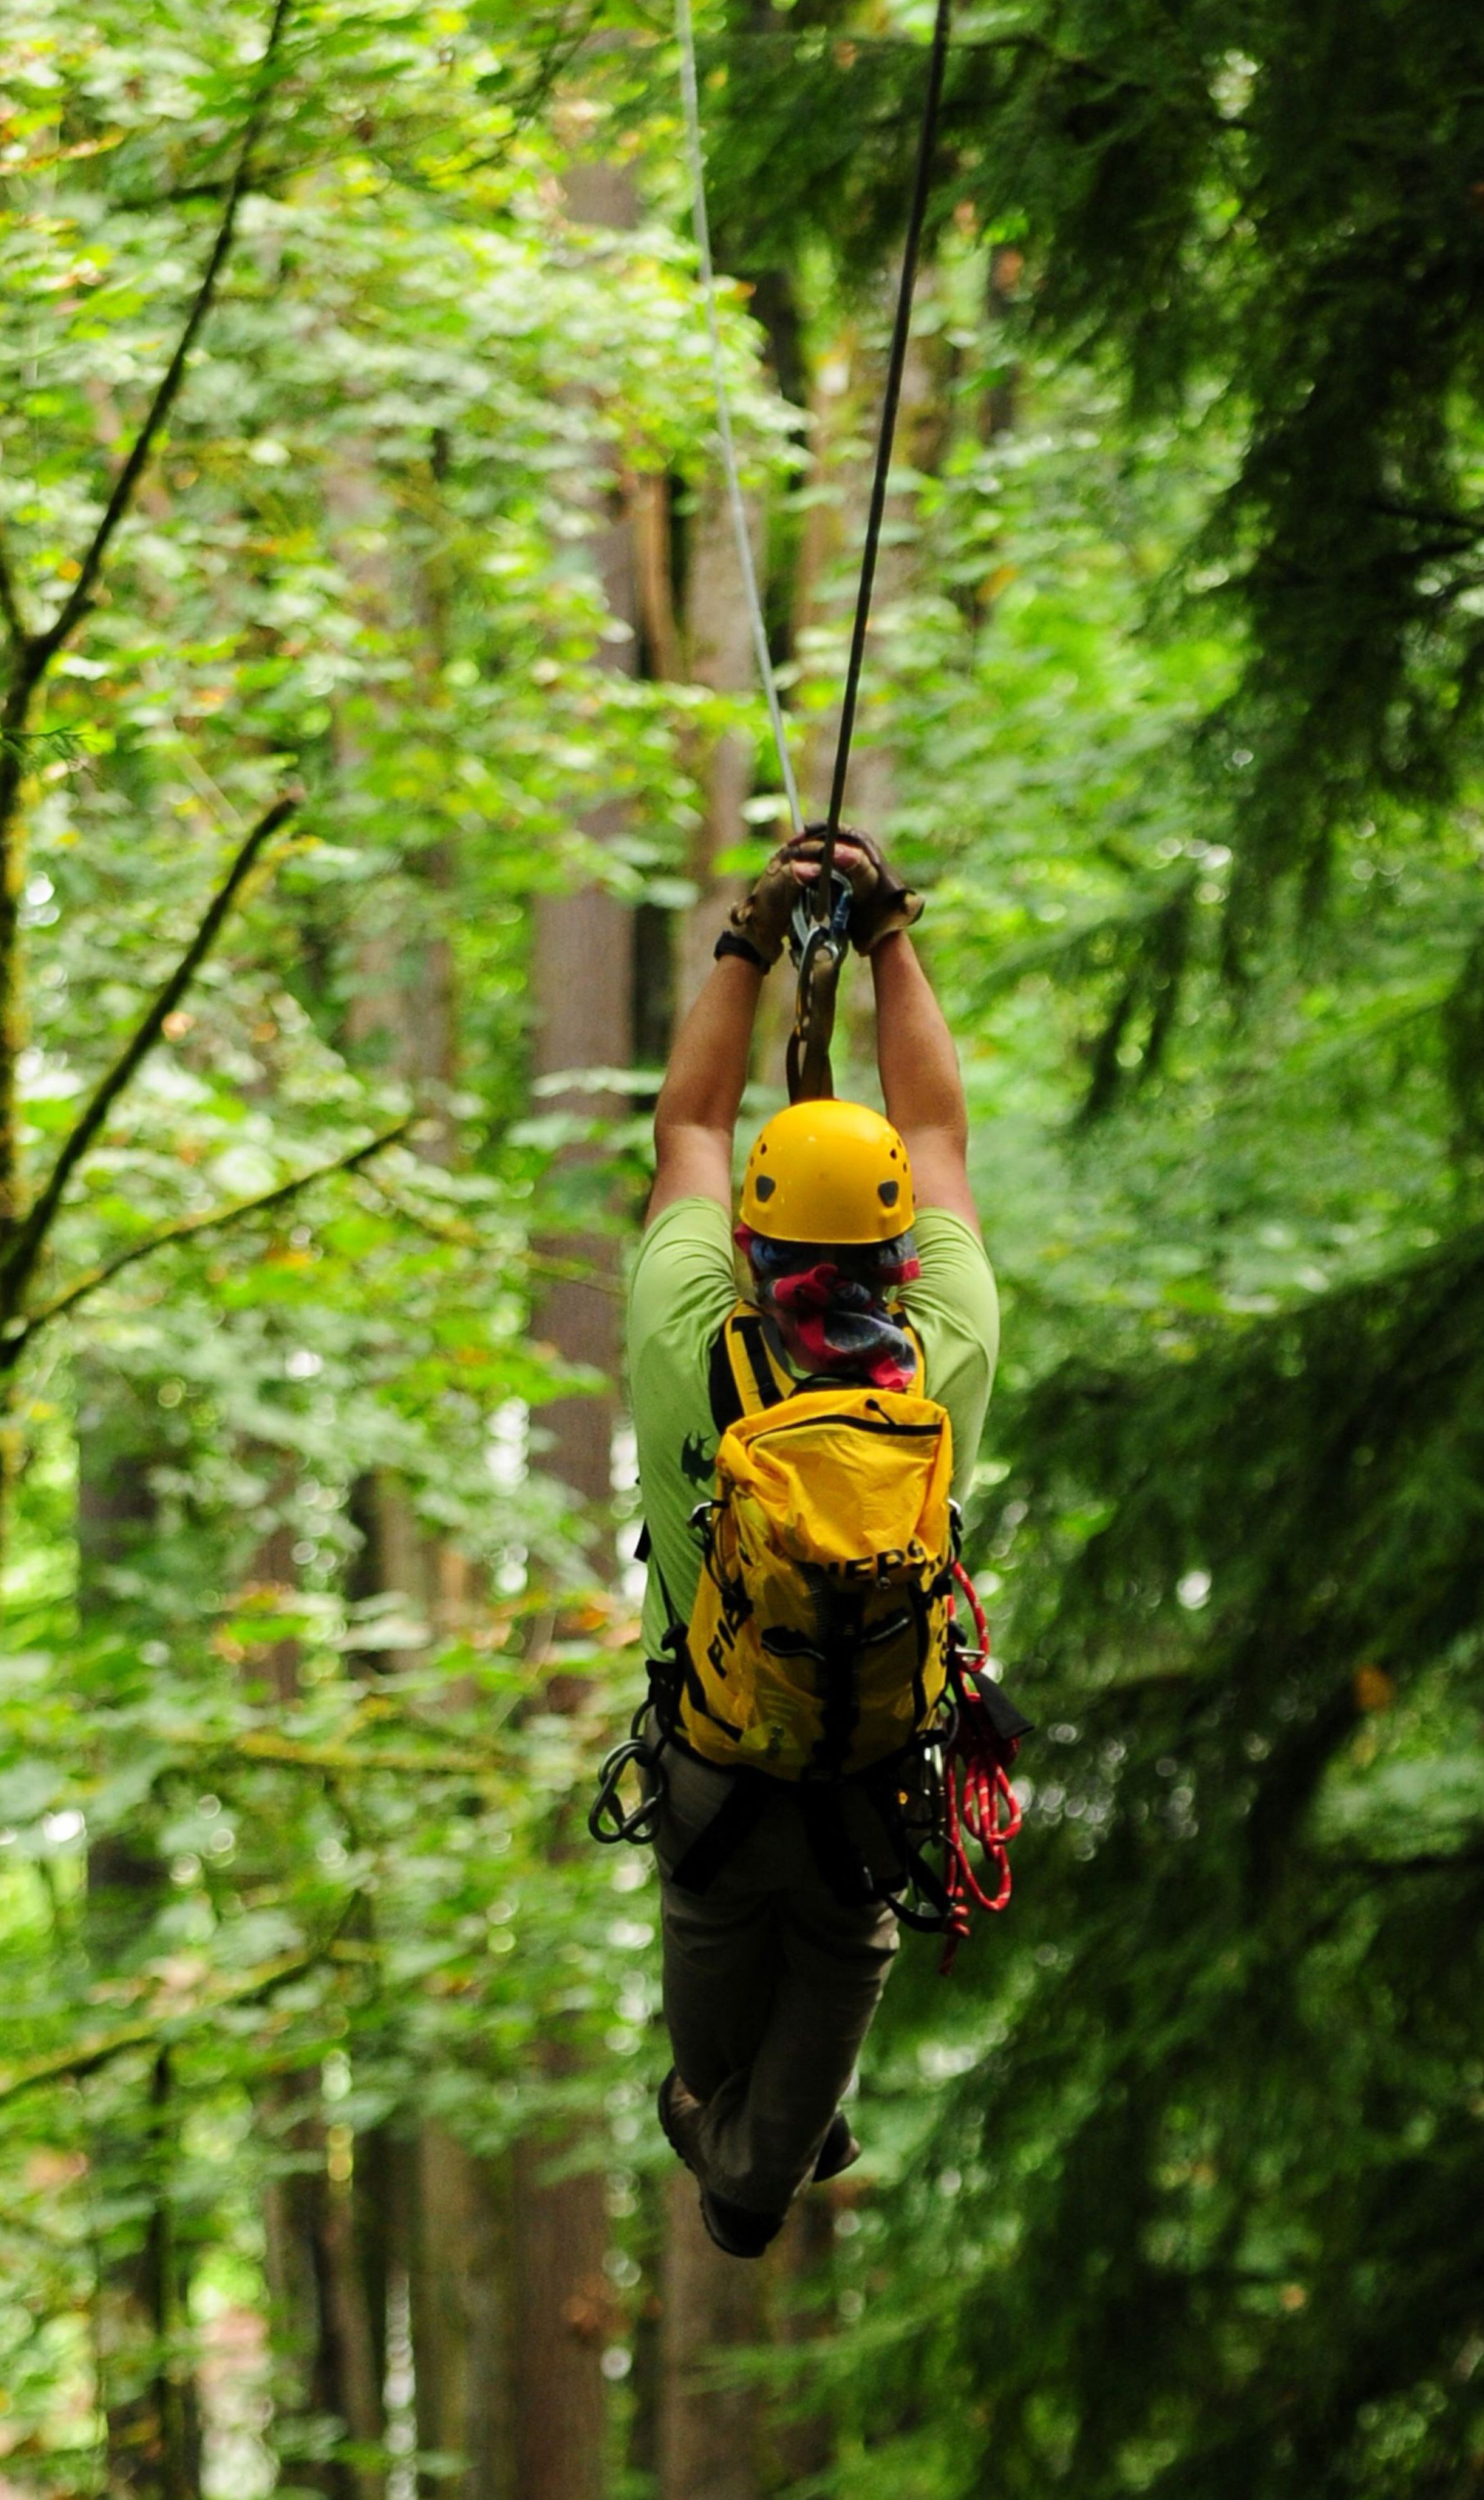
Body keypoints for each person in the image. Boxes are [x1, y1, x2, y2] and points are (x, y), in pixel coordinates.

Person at [622, 830, 999, 2256]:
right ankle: (762, 2157)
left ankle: (751, 2149)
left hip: (712, 1793)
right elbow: (942, 1133)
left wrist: (749, 937)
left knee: (710, 2076)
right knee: (770, 2079)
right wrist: (888, 930)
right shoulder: (940, 1362)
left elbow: (690, 1130)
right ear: (897, 1246)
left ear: (750, 1241)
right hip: (865, 1807)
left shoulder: (684, 1345)